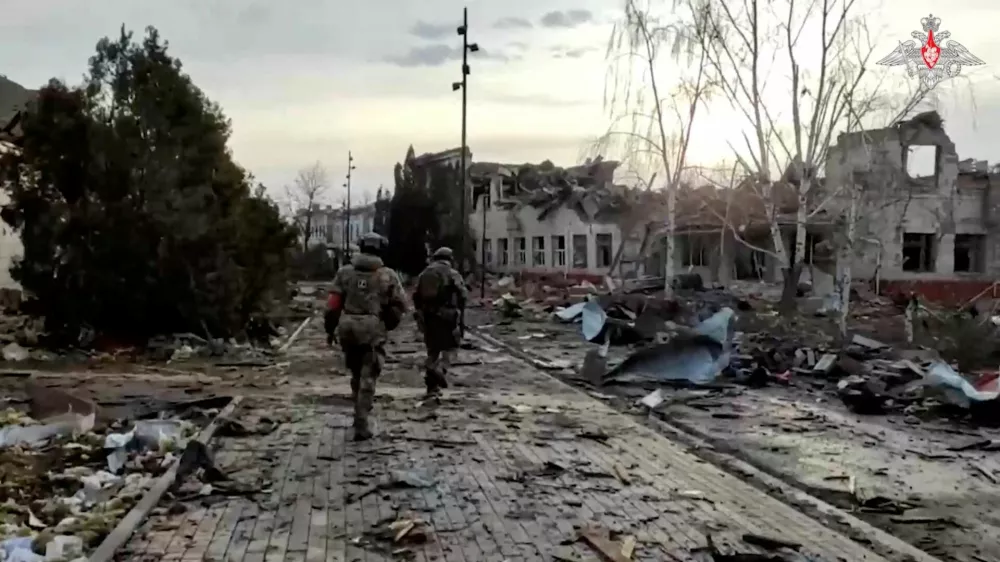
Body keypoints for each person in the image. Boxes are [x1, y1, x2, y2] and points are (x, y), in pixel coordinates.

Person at [325, 232, 408, 441]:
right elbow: (400, 305)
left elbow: (333, 305)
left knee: (355, 372)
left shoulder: (344, 273)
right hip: (372, 328)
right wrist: (387, 324)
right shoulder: (387, 275)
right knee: (369, 375)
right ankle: (362, 422)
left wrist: (330, 329)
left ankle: (357, 410)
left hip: (348, 326)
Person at [413, 246, 468, 398]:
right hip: (447, 317)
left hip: (428, 317)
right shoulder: (452, 273)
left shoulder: (424, 274)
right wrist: (461, 315)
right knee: (451, 348)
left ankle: (431, 386)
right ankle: (440, 369)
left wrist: (420, 314)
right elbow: (463, 294)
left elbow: (415, 295)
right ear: (450, 259)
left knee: (432, 350)